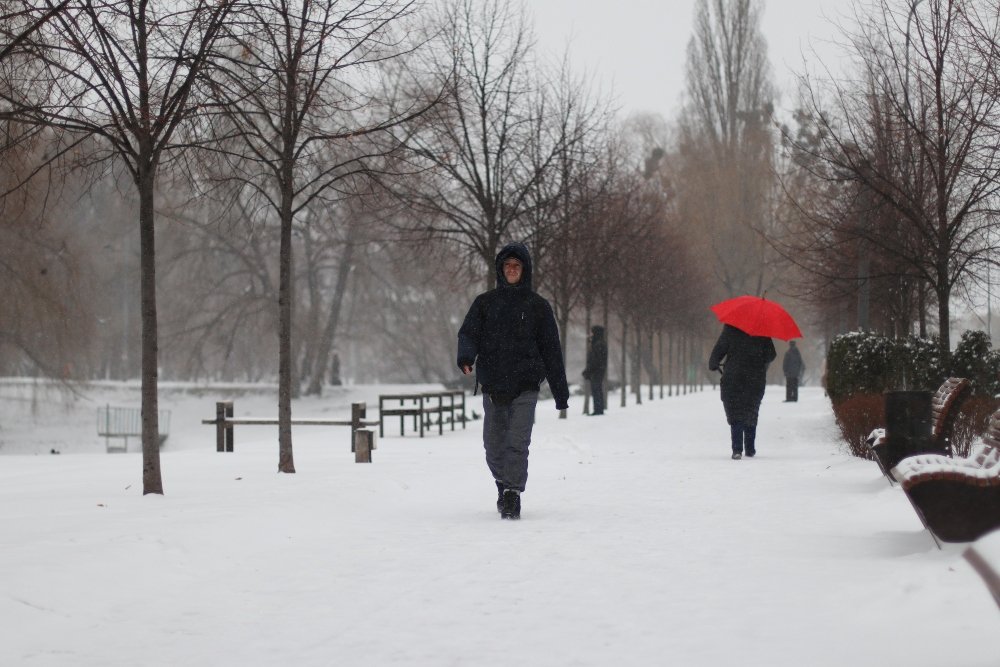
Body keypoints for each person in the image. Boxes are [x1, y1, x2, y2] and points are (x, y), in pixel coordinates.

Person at [457, 242, 570, 520]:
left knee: (517, 442)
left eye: (516, 266)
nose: (511, 270)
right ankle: (502, 484)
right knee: (493, 446)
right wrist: (466, 357)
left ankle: (512, 494)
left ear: (524, 270)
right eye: (507, 266)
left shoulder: (538, 307)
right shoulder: (485, 304)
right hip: (494, 385)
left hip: (526, 386)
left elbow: (551, 350)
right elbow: (468, 333)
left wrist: (560, 393)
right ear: (500, 269)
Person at [708, 324, 776, 460]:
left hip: (733, 377)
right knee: (751, 410)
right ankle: (750, 448)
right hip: (755, 377)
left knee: (735, 411)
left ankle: (737, 449)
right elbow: (771, 355)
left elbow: (718, 352)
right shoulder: (762, 330)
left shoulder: (730, 329)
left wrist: (714, 363)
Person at [582, 325, 608, 415]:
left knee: (596, 390)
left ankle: (598, 410)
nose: (590, 334)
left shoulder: (598, 344)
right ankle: (598, 409)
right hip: (598, 370)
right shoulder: (599, 343)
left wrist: (588, 370)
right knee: (597, 390)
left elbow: (595, 360)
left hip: (596, 371)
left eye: (592, 332)